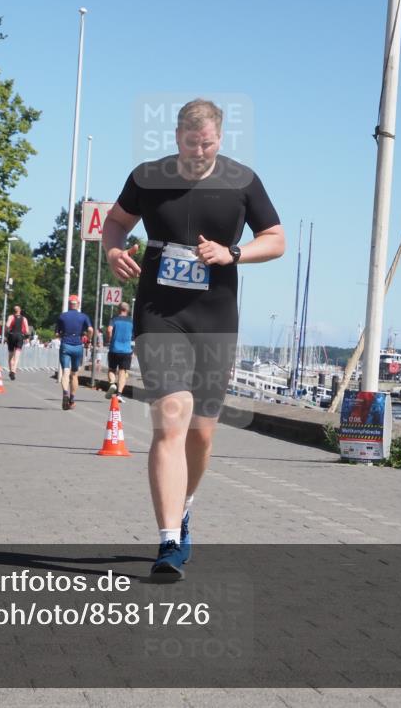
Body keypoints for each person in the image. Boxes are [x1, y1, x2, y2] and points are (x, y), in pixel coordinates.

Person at [102, 99, 285, 580]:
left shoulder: (242, 181)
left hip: (215, 318)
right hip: (159, 313)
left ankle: (184, 507)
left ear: (220, 138)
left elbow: (276, 238)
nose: (199, 151)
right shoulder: (147, 177)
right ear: (177, 136)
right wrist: (113, 250)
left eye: (207, 143)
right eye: (190, 142)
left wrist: (233, 253)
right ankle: (168, 542)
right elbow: (115, 222)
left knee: (202, 431)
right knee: (171, 416)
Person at [55, 295, 94, 411]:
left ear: (69, 304)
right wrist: (89, 340)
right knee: (74, 374)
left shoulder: (62, 316)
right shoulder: (84, 317)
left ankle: (65, 394)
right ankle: (72, 400)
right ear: (78, 304)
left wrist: (62, 335)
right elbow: (90, 329)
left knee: (65, 372)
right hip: (77, 346)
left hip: (66, 345)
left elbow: (56, 334)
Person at [105, 301, 134, 401]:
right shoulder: (131, 321)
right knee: (122, 372)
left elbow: (109, 330)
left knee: (111, 369)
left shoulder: (114, 319)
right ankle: (119, 394)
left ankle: (112, 384)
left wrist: (109, 339)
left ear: (119, 309)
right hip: (126, 350)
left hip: (114, 349)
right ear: (128, 310)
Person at [5, 305, 30, 380]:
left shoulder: (11, 317)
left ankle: (10, 370)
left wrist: (7, 333)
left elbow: (7, 325)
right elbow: (27, 330)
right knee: (17, 356)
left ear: (14, 311)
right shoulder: (24, 318)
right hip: (20, 336)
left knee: (10, 356)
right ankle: (13, 371)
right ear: (20, 310)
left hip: (12, 335)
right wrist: (27, 338)